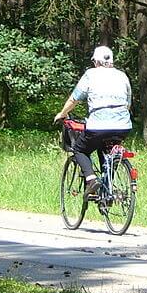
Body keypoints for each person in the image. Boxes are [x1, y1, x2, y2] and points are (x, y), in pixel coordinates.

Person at [53, 45, 132, 196]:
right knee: (108, 151)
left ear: (96, 61)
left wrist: (62, 113)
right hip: (123, 126)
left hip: (98, 126)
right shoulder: (122, 76)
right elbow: (128, 103)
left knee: (79, 149)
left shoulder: (91, 74)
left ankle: (91, 179)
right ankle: (107, 191)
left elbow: (74, 99)